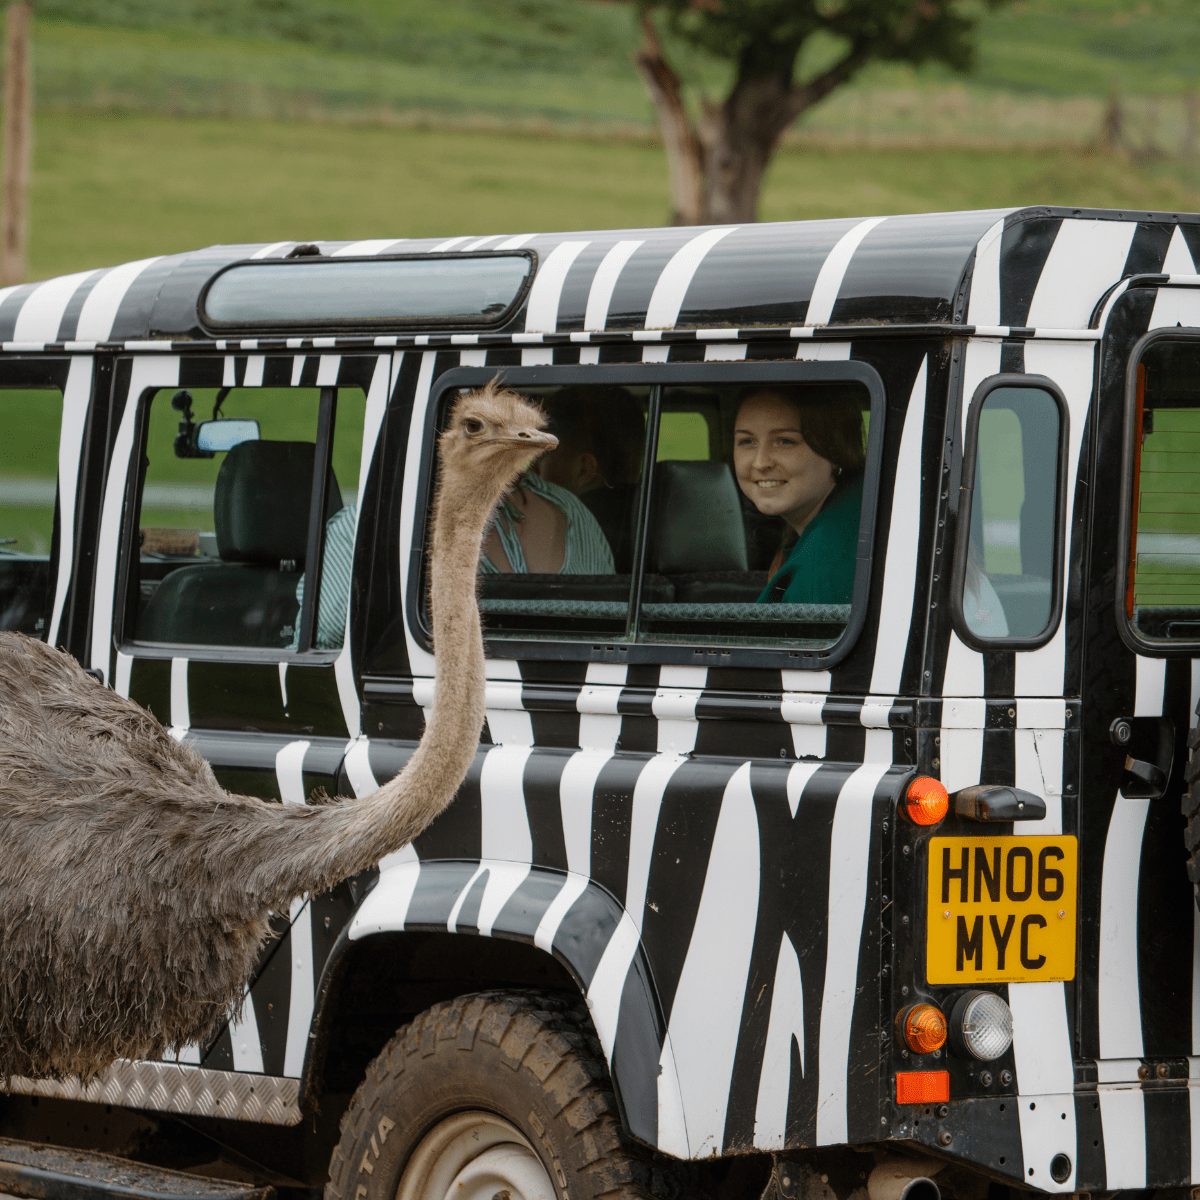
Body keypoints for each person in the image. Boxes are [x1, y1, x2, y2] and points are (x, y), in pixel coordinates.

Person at [732, 386, 865, 605]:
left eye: (785, 441)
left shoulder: (823, 564)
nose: (760, 463)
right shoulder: (857, 512)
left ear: (835, 449)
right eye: (747, 442)